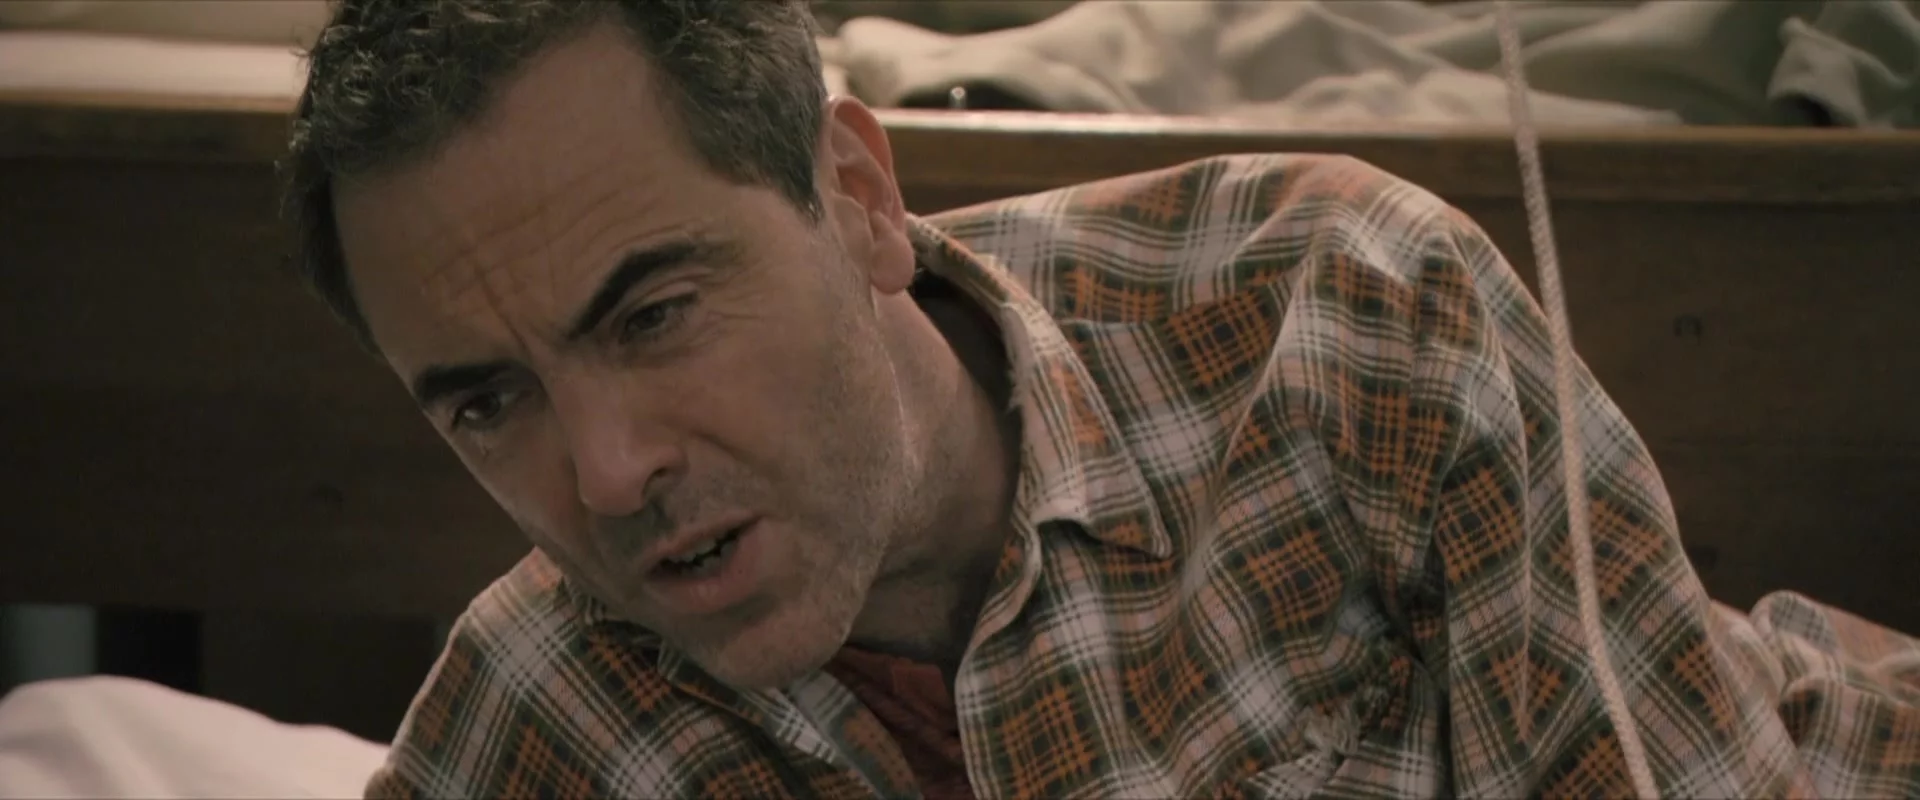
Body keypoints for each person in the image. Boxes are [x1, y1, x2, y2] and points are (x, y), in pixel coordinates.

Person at [284, 1, 1919, 798]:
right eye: (487, 404)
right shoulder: (539, 731)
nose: (607, 473)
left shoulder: (1340, 317)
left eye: (653, 316)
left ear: (858, 199)